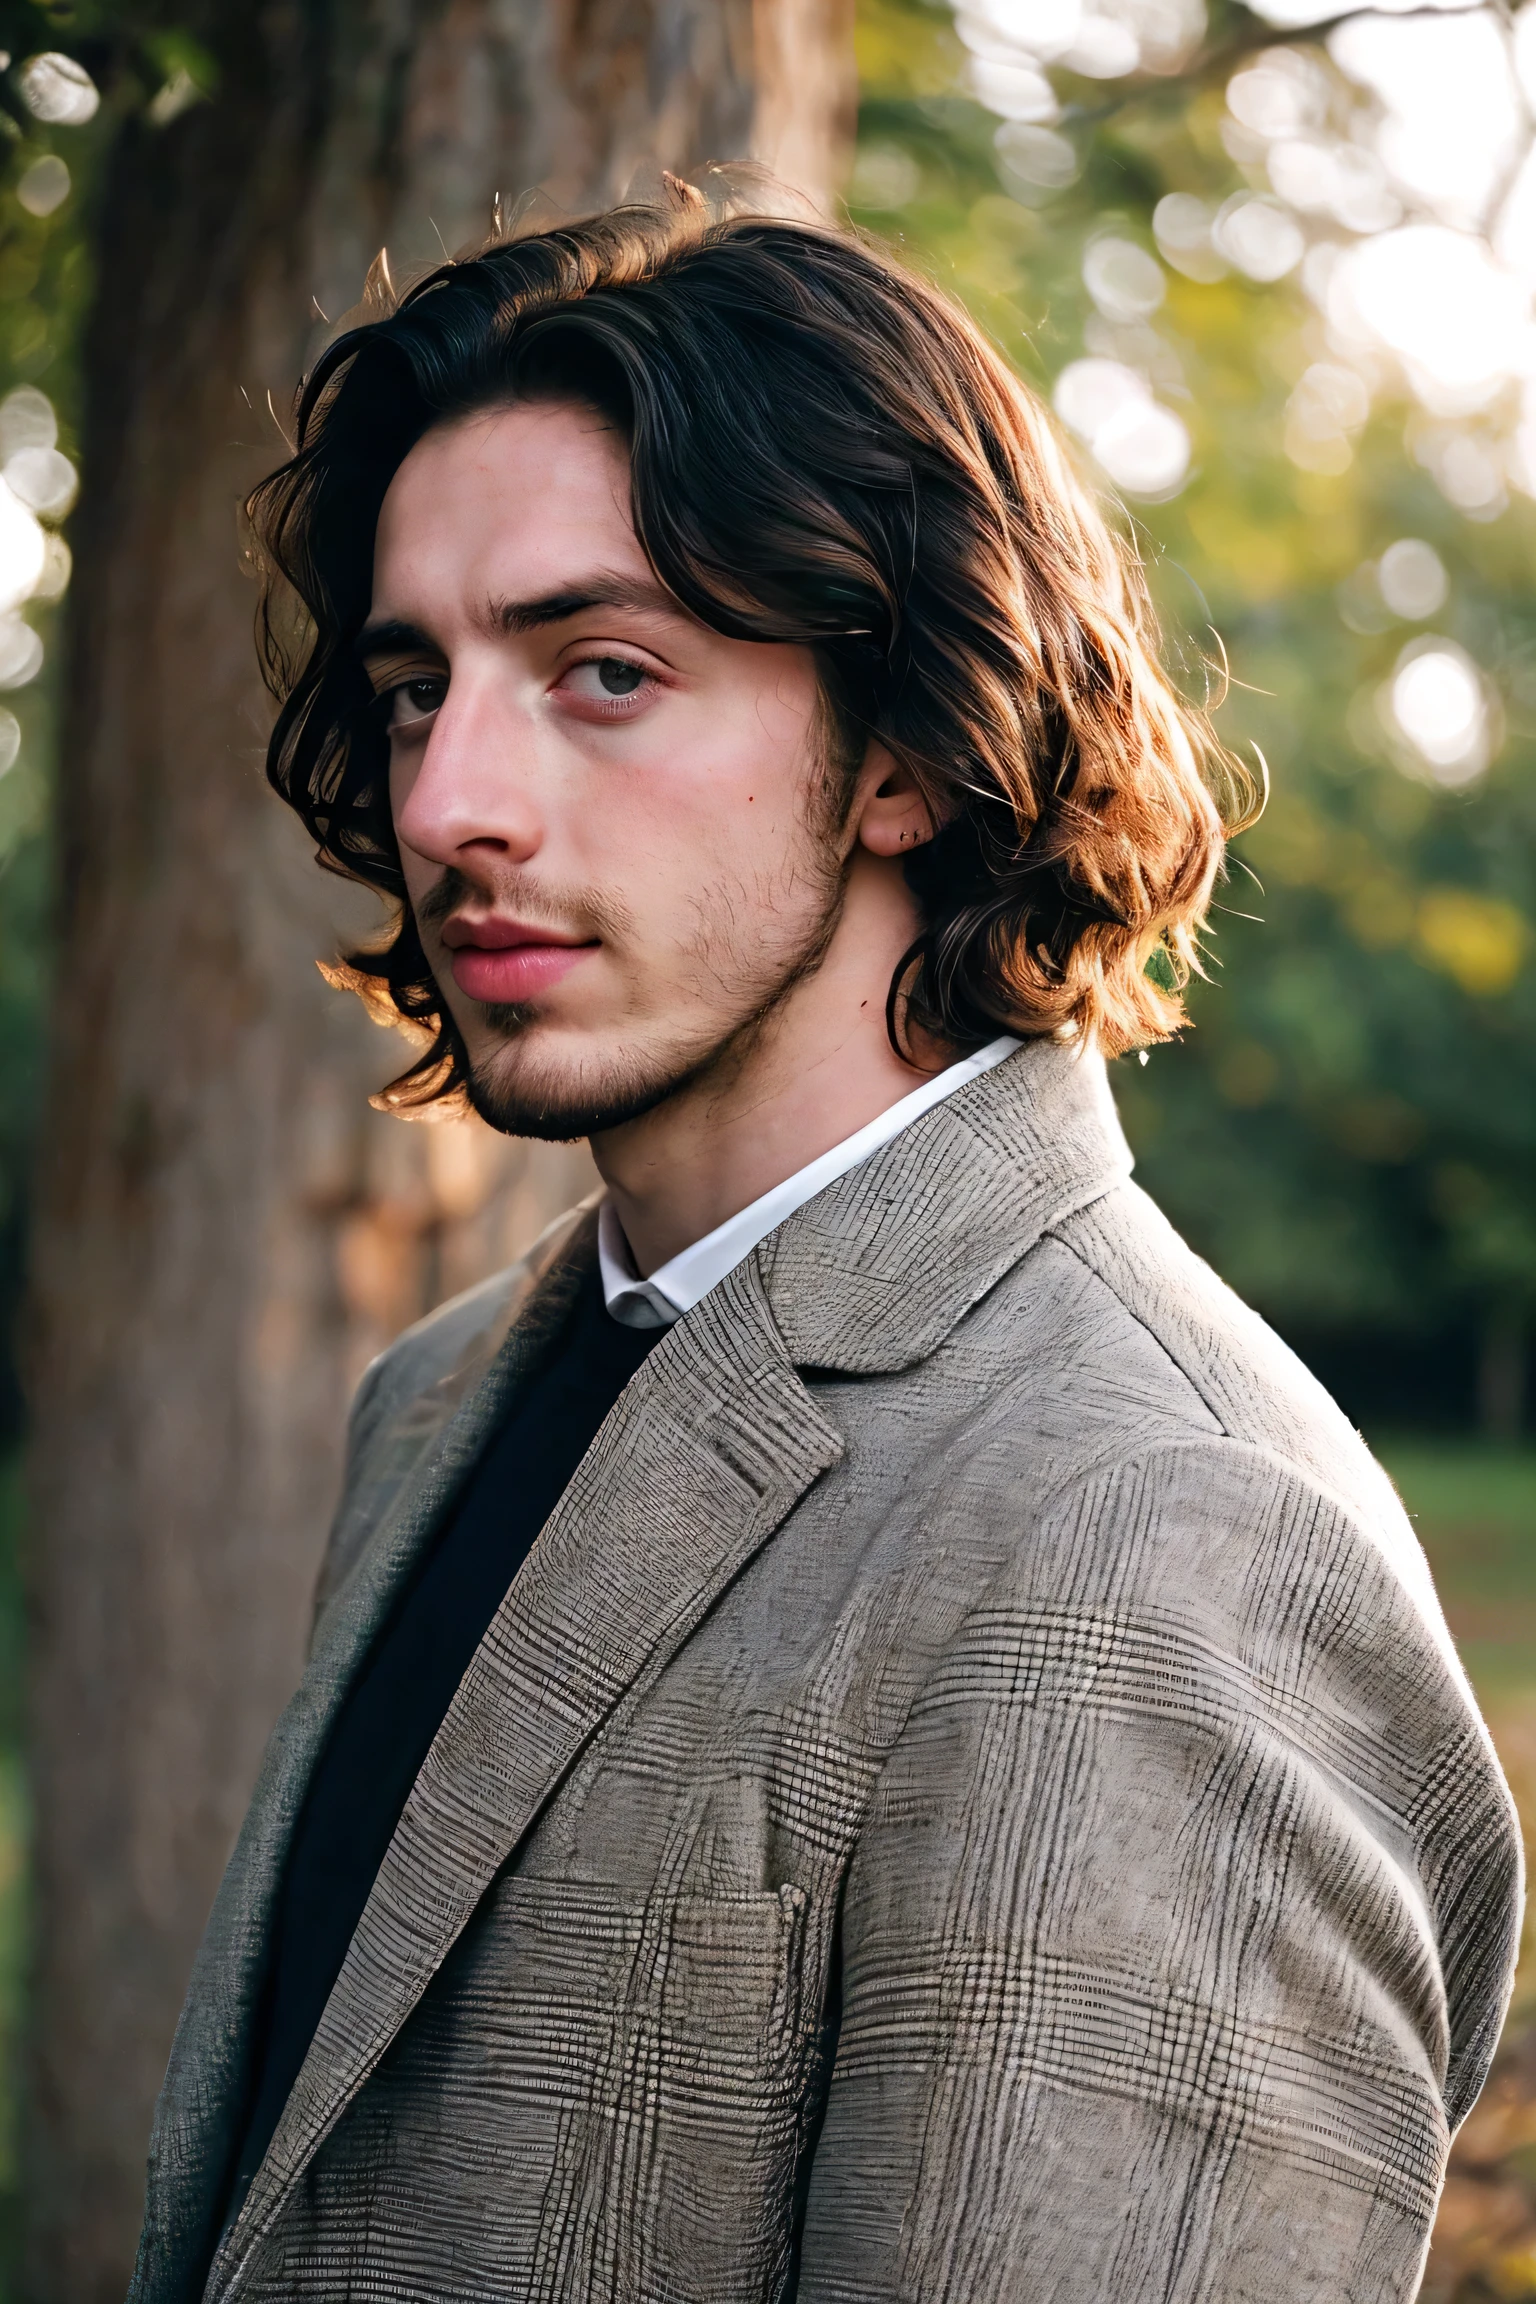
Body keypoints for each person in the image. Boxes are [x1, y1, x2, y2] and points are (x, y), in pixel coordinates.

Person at [129, 176, 1520, 2304]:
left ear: (900, 747)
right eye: (416, 684)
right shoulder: (441, 1403)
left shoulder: (1159, 1538)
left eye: (601, 670)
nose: (446, 801)